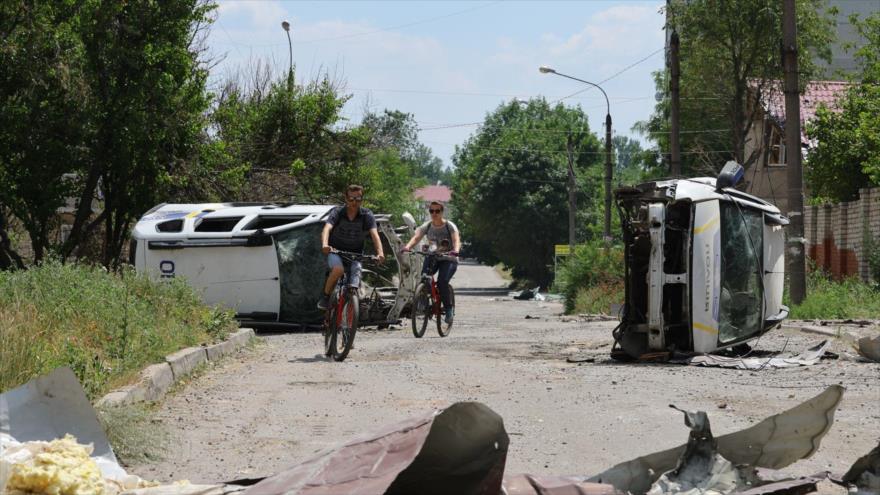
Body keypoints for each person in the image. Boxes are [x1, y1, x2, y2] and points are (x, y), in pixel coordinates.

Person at [318, 184, 385, 310]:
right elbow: (326, 229)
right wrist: (325, 245)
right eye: (351, 198)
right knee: (338, 269)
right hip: (336, 251)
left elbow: (375, 234)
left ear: (362, 200)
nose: (354, 202)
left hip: (356, 254)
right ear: (346, 198)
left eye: (358, 199)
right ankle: (326, 297)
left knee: (354, 282)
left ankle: (350, 312)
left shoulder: (367, 215)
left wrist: (380, 253)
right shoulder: (338, 212)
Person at [401, 201, 461, 323]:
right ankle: (424, 304)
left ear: (442, 212)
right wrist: (407, 247)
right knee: (424, 278)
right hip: (433, 256)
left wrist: (455, 250)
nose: (434, 213)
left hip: (449, 258)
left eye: (437, 211)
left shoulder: (450, 226)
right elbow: (416, 237)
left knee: (442, 282)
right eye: (431, 211)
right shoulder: (427, 226)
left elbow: (456, 239)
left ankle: (448, 309)